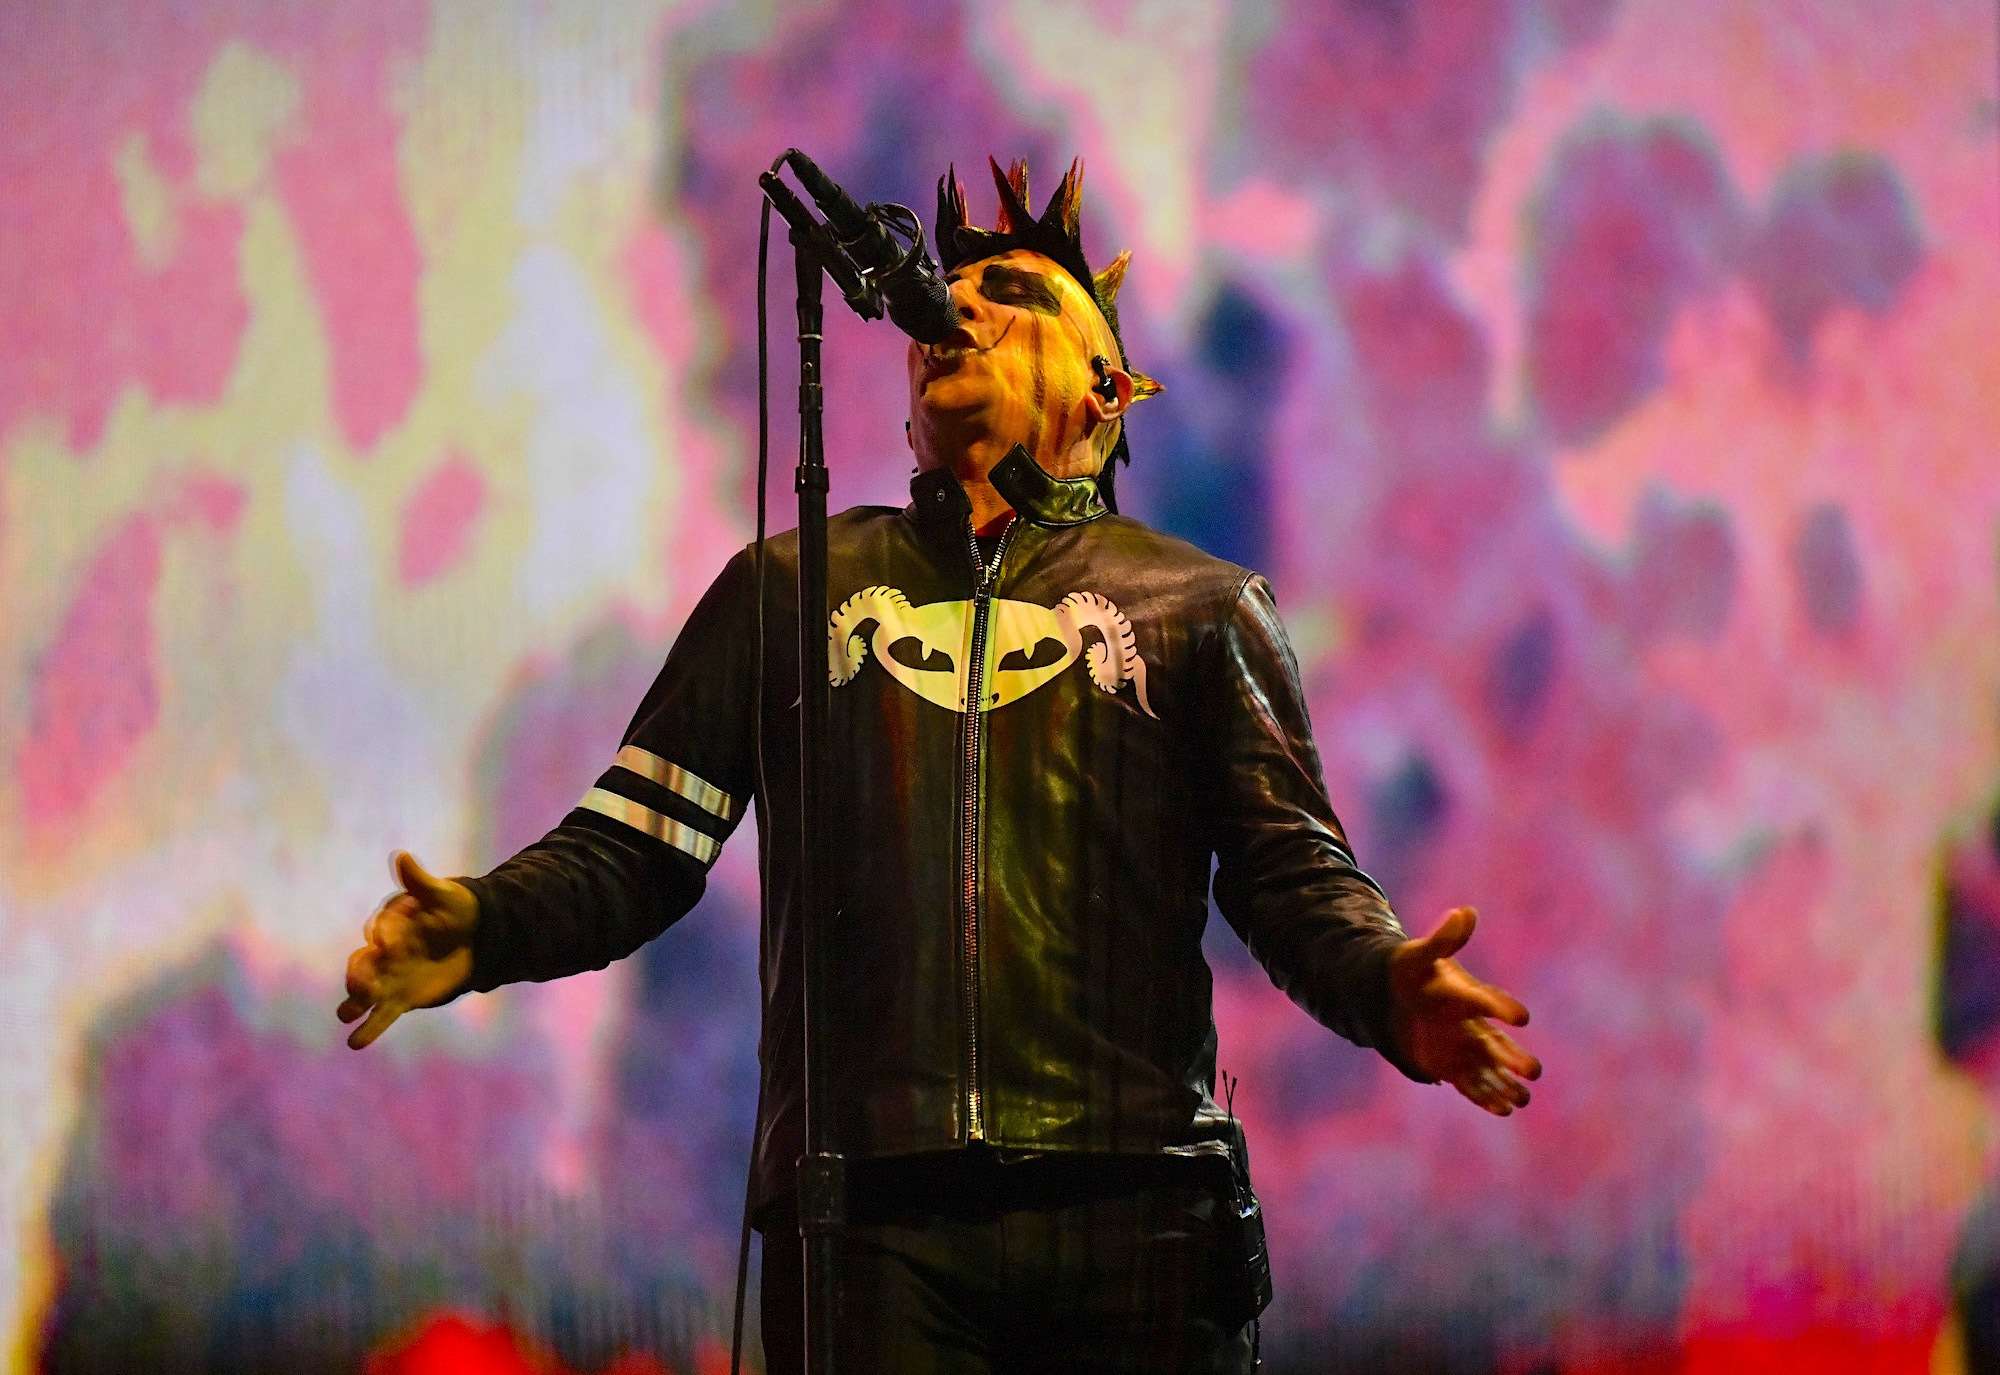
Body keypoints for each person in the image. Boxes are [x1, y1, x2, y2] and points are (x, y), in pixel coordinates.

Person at [339, 157, 1541, 1373]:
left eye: (1009, 294)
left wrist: (1386, 986)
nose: (955, 307)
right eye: (946, 297)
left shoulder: (1199, 606)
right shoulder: (787, 590)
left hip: (1137, 1209)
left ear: (1106, 389)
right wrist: (487, 924)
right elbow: (637, 842)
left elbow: (1291, 877)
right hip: (869, 1219)